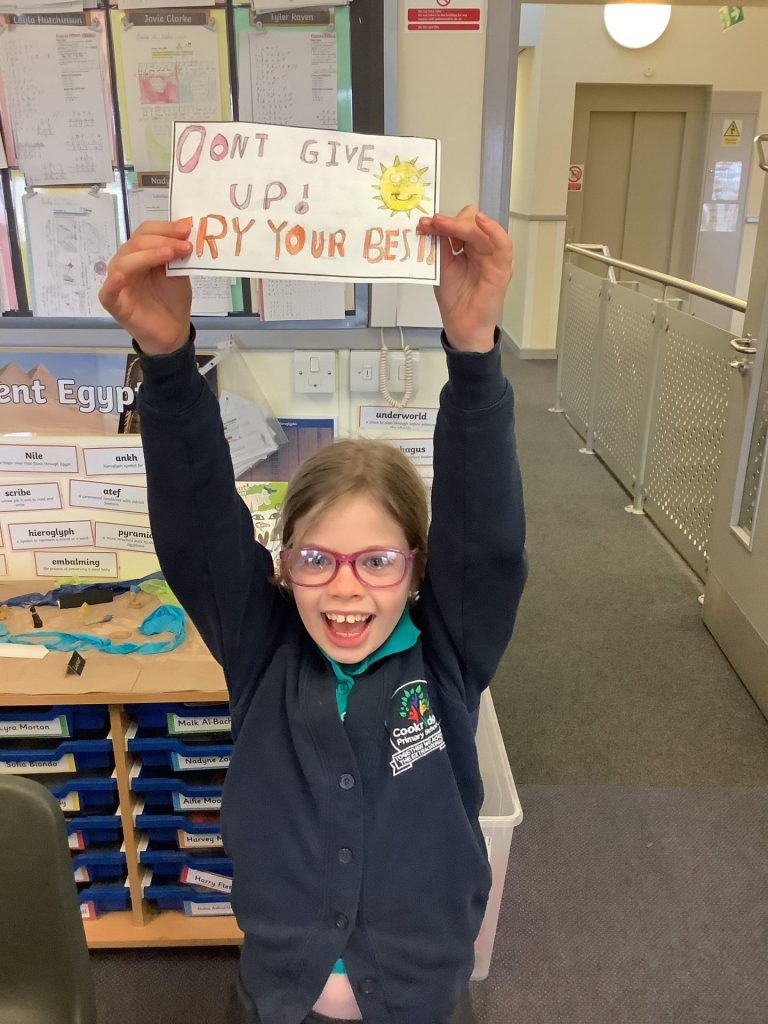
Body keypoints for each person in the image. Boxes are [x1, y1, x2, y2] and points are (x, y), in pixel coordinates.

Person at [99, 206, 527, 1024]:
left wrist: (474, 356)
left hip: (418, 1004)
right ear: (283, 563)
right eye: (316, 560)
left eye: (377, 561)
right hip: (278, 1000)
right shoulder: (262, 649)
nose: (344, 590)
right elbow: (197, 527)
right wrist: (168, 363)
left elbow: (487, 540)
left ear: (417, 567)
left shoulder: (446, 653)